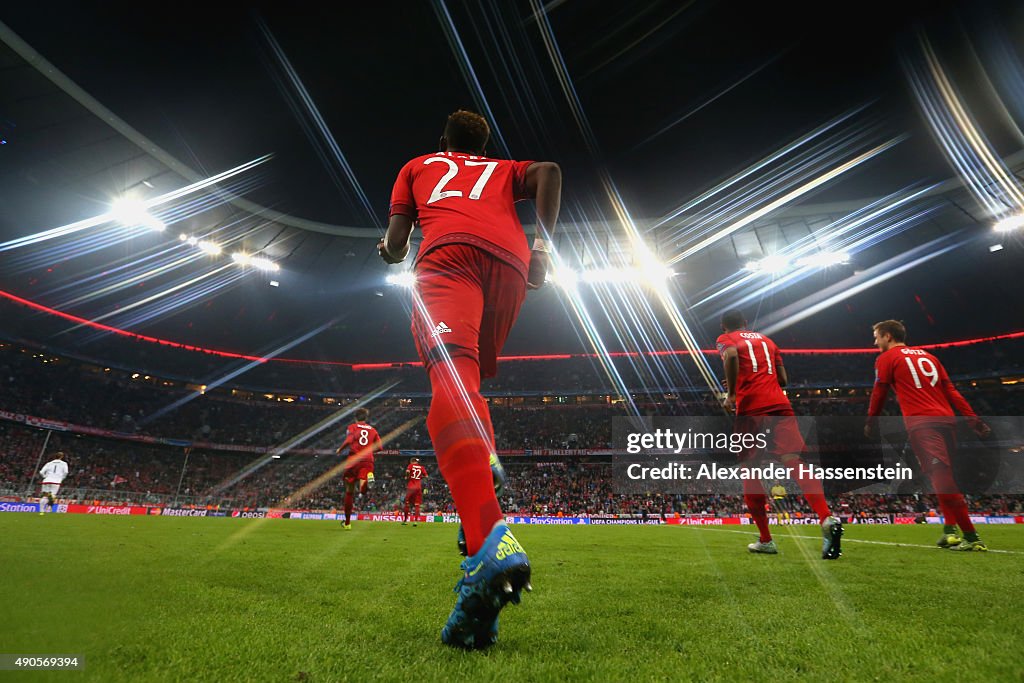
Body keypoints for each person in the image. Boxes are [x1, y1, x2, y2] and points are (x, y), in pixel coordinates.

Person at [379, 109, 561, 649]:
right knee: (470, 385)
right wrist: (544, 247)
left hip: (449, 258)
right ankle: (482, 465)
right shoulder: (503, 169)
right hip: (509, 264)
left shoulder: (417, 165)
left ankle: (491, 542)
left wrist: (390, 251)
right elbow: (549, 170)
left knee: (451, 382)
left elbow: (395, 242)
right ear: (482, 149)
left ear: (442, 142)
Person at [717, 309, 843, 559]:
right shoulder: (768, 341)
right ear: (746, 322)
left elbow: (731, 356)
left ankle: (766, 540)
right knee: (794, 461)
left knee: (750, 469)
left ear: (724, 328)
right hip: (780, 405)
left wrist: (732, 392)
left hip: (752, 408)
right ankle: (826, 517)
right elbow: (783, 379)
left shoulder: (726, 340)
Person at [864, 320, 991, 551]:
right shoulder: (929, 357)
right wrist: (973, 419)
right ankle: (949, 532)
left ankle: (972, 538)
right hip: (946, 421)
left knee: (942, 478)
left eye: (877, 336)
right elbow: (951, 390)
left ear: (888, 336)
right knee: (940, 476)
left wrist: (871, 422)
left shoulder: (886, 359)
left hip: (923, 424)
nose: (875, 341)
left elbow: (879, 392)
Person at [337, 408, 382, 530]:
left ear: (355, 417)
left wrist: (340, 449)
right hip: (368, 461)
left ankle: (347, 523)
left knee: (349, 491)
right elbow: (380, 447)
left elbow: (349, 440)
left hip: (353, 460)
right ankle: (367, 479)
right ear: (366, 418)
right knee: (362, 490)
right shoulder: (373, 430)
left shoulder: (352, 427)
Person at [402, 457, 428, 526]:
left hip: (410, 487)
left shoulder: (410, 466)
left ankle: (405, 521)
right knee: (417, 505)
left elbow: (407, 472)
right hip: (418, 488)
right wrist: (424, 485)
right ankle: (415, 521)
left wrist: (407, 477)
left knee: (407, 504)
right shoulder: (421, 467)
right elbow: (426, 476)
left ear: (411, 461)